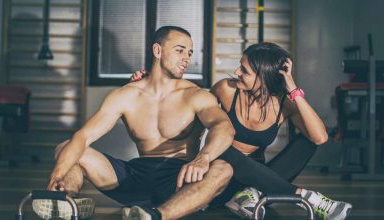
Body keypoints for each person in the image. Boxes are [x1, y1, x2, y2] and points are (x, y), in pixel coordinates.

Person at [32, 26, 235, 220]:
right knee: (67, 148)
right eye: (180, 50)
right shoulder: (126, 95)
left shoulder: (196, 96)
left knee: (223, 169)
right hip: (136, 176)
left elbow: (223, 127)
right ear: (157, 50)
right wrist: (57, 175)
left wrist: (204, 158)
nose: (187, 58)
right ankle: (65, 199)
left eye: (189, 53)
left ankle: (156, 216)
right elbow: (84, 136)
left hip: (178, 179)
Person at [132, 42, 352, 220]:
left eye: (244, 71)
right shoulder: (226, 90)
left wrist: (292, 88)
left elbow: (320, 137)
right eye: (240, 65)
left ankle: (251, 196)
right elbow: (189, 101)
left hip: (259, 178)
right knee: (225, 148)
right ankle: (307, 197)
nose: (237, 72)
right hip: (222, 177)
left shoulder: (285, 103)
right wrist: (150, 83)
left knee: (308, 141)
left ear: (263, 78)